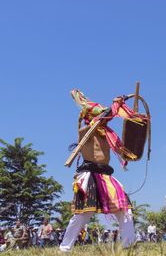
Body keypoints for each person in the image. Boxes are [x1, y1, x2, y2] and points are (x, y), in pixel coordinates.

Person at [59, 90, 146, 252]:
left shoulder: (109, 135)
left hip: (106, 176)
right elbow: (103, 116)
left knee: (124, 209)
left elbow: (123, 151)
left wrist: (133, 122)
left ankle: (129, 245)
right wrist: (113, 108)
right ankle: (65, 248)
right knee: (83, 214)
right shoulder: (85, 132)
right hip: (89, 175)